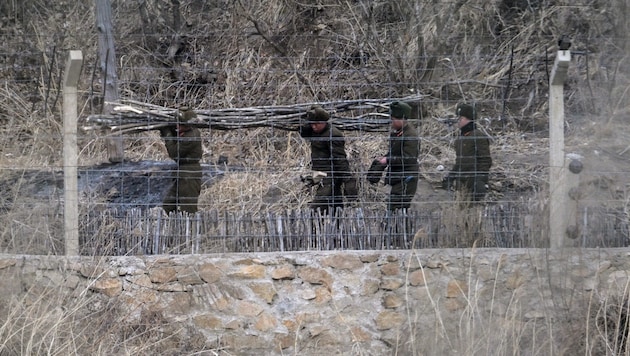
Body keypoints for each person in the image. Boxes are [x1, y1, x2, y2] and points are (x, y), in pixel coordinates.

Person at [299, 105, 357, 215]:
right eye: (312, 124)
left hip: (330, 176)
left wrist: (347, 179)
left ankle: (317, 230)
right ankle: (336, 229)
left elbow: (339, 159)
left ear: (324, 122)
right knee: (335, 207)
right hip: (320, 173)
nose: (314, 127)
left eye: (316, 124)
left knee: (316, 211)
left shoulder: (333, 135)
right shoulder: (315, 132)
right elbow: (303, 132)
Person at [373, 101, 420, 211]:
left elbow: (409, 158)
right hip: (399, 177)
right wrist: (383, 161)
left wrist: (388, 160)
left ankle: (401, 229)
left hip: (406, 178)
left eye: (393, 119)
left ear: (401, 119)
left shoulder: (410, 135)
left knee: (397, 209)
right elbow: (394, 153)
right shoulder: (398, 133)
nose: (391, 122)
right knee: (395, 210)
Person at [442, 103, 492, 203]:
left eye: (461, 118)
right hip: (462, 183)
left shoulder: (478, 136)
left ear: (470, 119)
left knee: (474, 212)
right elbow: (460, 161)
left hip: (474, 181)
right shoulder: (461, 138)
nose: (458, 121)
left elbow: (485, 160)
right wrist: (451, 176)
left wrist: (480, 180)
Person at [160, 106, 203, 214]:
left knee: (188, 209)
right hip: (182, 172)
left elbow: (174, 153)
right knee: (168, 206)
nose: (177, 126)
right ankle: (174, 228)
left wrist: (167, 134)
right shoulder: (187, 131)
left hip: (189, 174)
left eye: (180, 124)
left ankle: (189, 229)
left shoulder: (191, 136)